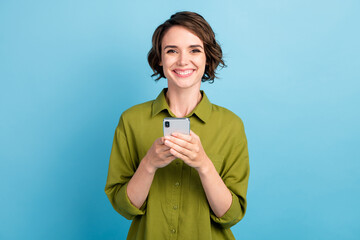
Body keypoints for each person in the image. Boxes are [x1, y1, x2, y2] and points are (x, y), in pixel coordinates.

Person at [105, 11, 250, 240]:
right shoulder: (131, 121)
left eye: (194, 50)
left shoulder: (231, 125)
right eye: (172, 50)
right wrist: (149, 164)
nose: (183, 61)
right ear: (160, 58)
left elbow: (231, 215)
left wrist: (203, 165)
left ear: (207, 57)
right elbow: (124, 208)